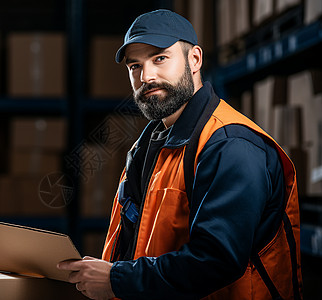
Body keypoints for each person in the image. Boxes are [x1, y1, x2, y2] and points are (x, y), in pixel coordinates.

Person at [58, 9, 302, 300]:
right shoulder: (148, 146)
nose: (146, 76)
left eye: (159, 59)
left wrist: (116, 279)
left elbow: (216, 260)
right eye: (135, 66)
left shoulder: (230, 144)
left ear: (194, 59)